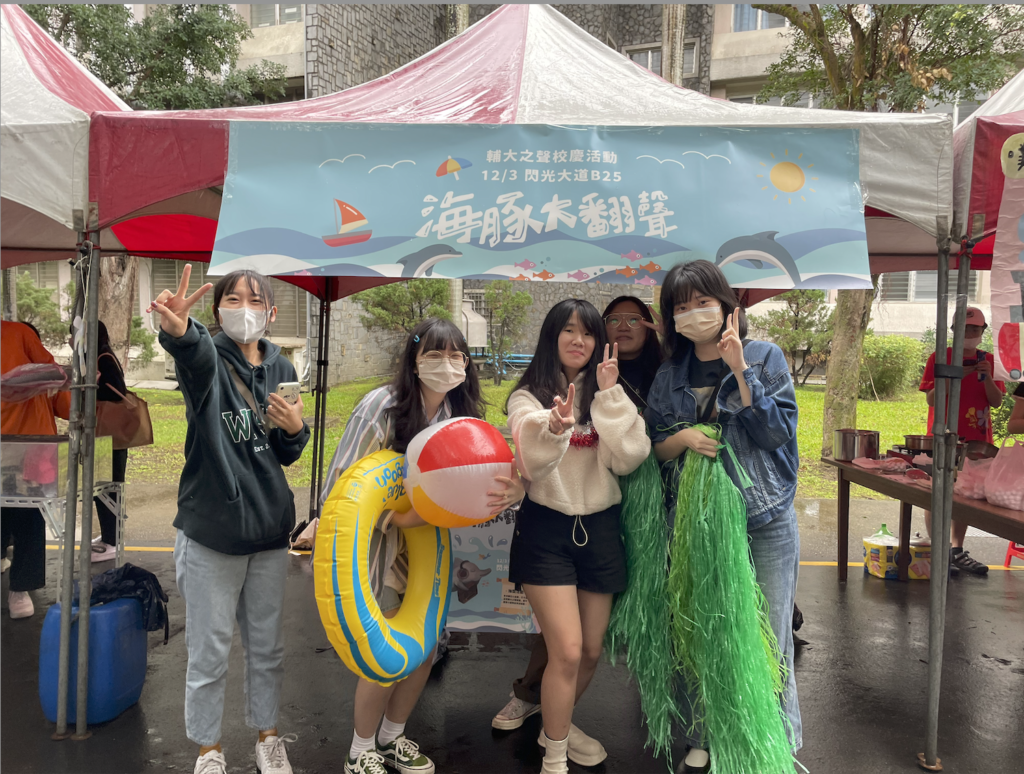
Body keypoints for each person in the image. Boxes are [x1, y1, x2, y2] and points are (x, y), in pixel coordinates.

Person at [321, 317, 525, 774]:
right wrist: (398, 518)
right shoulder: (382, 406)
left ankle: (392, 737)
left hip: (428, 546)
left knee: (425, 646)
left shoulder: (458, 417)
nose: (445, 363)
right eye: (433, 353)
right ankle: (360, 749)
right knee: (387, 649)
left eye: (456, 355)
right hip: (375, 545)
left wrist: (511, 490)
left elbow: (478, 483)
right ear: (413, 361)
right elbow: (341, 489)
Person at [150, 266, 310, 774]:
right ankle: (208, 749)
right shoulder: (209, 360)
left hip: (268, 534)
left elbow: (283, 453)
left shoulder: (281, 367)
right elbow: (194, 356)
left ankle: (268, 737)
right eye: (233, 299)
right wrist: (180, 331)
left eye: (255, 300)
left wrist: (296, 429)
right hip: (212, 534)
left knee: (268, 649)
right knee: (209, 652)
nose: (245, 309)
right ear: (218, 311)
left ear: (271, 312)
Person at [645, 260, 801, 773]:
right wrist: (682, 438)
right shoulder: (669, 375)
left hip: (764, 519)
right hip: (697, 524)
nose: (693, 313)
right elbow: (653, 450)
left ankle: (773, 741)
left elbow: (776, 435)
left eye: (702, 302)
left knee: (769, 636)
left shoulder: (764, 356)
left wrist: (740, 370)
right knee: (701, 630)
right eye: (681, 307)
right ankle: (703, 734)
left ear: (727, 306)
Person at [491, 296, 662, 764]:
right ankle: (555, 758)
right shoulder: (528, 396)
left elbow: (629, 458)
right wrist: (554, 426)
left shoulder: (606, 390)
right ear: (552, 336)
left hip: (601, 530)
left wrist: (609, 396)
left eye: (588, 332)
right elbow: (531, 458)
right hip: (546, 531)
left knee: (589, 651)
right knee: (565, 651)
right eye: (568, 329)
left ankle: (554, 730)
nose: (578, 340)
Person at [920, 307, 1005, 576]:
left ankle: (957, 549)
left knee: (965, 494)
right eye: (965, 329)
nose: (970, 334)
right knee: (937, 491)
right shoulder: (940, 357)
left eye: (975, 329)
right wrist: (956, 374)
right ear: (954, 331)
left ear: (983, 332)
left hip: (977, 439)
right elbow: (931, 399)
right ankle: (939, 548)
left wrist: (987, 376)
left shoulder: (989, 360)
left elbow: (997, 401)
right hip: (943, 435)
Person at [1, 320, 71, 618]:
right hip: (29, 449)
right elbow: (66, 404)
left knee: (21, 516)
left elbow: (62, 396)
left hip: (28, 448)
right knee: (25, 518)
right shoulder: (19, 333)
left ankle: (18, 585)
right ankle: (19, 588)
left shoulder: (16, 333)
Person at [85, 321, 129, 563]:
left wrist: (91, 386)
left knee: (108, 487)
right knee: (102, 486)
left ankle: (112, 541)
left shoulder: (103, 359)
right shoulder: (100, 356)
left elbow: (116, 391)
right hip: (106, 436)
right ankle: (109, 535)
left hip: (109, 436)